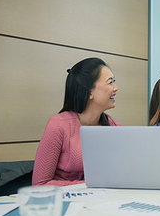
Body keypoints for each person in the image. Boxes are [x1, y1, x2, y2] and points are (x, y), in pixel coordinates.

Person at [32, 58, 122, 186]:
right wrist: (88, 185)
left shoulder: (116, 128)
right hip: (65, 202)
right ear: (89, 91)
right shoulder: (58, 125)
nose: (116, 88)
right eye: (110, 82)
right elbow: (39, 184)